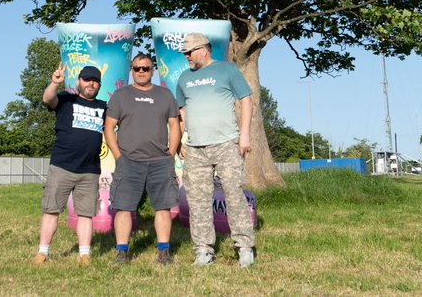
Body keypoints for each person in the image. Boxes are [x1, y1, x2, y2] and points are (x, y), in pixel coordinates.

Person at [174, 33, 256, 268]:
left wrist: (245, 135)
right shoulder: (184, 78)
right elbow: (182, 111)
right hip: (195, 148)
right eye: (185, 53)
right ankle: (203, 250)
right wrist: (181, 140)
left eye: (190, 52)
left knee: (233, 195)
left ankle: (244, 248)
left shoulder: (226, 70)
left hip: (226, 144)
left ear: (204, 50)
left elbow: (246, 100)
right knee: (198, 201)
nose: (187, 56)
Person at [103, 53, 181, 265]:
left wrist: (170, 155)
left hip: (159, 162)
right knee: (124, 207)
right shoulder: (120, 96)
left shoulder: (165, 95)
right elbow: (108, 127)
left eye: (145, 68)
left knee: (163, 207)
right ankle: (122, 253)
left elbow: (175, 126)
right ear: (131, 70)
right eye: (136, 68)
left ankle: (163, 253)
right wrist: (119, 156)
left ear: (152, 71)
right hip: (128, 161)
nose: (140, 71)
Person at [35, 63, 106, 266]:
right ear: (78, 82)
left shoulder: (103, 107)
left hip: (90, 170)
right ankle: (43, 252)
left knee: (85, 214)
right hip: (62, 167)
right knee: (51, 210)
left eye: (95, 81)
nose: (91, 84)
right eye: (87, 79)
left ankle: (85, 255)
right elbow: (48, 99)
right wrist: (54, 83)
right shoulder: (66, 99)